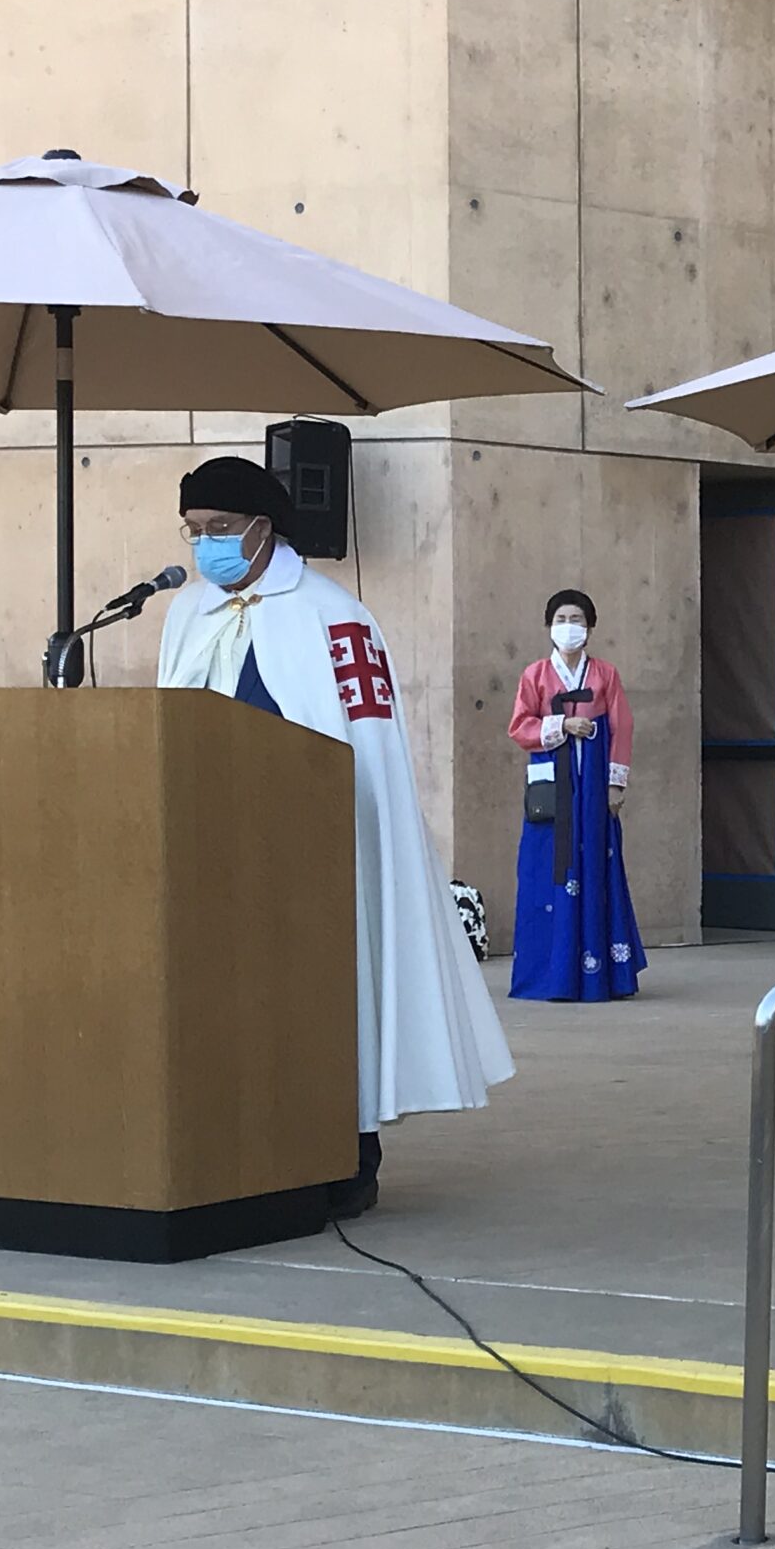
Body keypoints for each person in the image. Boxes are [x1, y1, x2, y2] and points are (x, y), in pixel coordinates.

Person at [157, 456, 512, 1218]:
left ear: (262, 529)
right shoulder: (187, 612)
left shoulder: (330, 613)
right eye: (193, 532)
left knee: (329, 996)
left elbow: (366, 744)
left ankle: (345, 1156)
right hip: (214, 849)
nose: (204, 546)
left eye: (219, 529)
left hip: (314, 851)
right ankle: (239, 1142)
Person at [508, 588, 644, 1003]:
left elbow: (622, 729)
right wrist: (562, 727)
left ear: (590, 627)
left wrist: (615, 783)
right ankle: (550, 972)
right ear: (550, 625)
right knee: (547, 867)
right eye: (562, 619)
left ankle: (602, 973)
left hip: (593, 785)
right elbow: (519, 726)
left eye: (577, 619)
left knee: (597, 865)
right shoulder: (535, 675)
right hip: (553, 788)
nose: (569, 627)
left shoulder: (605, 675)